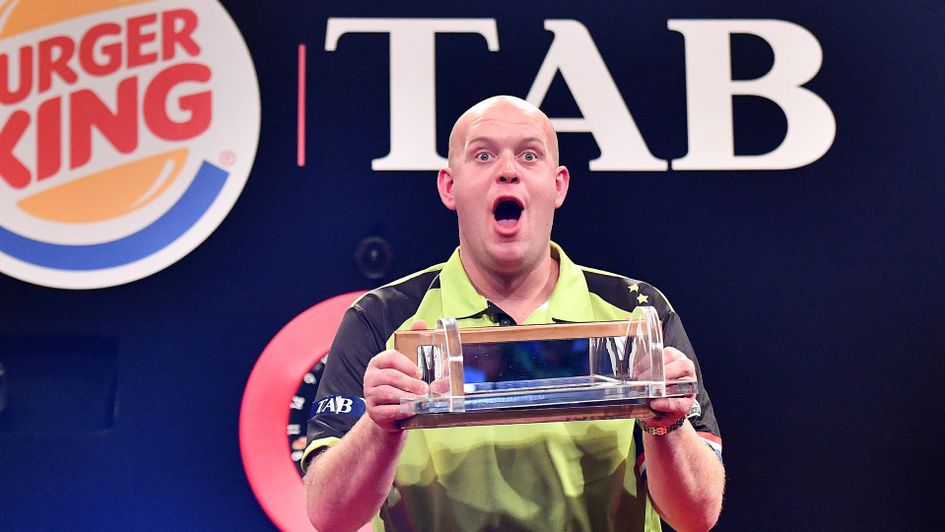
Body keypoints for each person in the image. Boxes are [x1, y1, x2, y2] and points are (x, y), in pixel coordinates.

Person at [302, 96, 725, 531]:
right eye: (483, 155)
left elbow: (698, 515)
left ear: (558, 185)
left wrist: (667, 426)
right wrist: (380, 429)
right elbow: (328, 517)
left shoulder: (639, 312)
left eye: (529, 155)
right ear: (449, 186)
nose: (508, 170)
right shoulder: (380, 320)